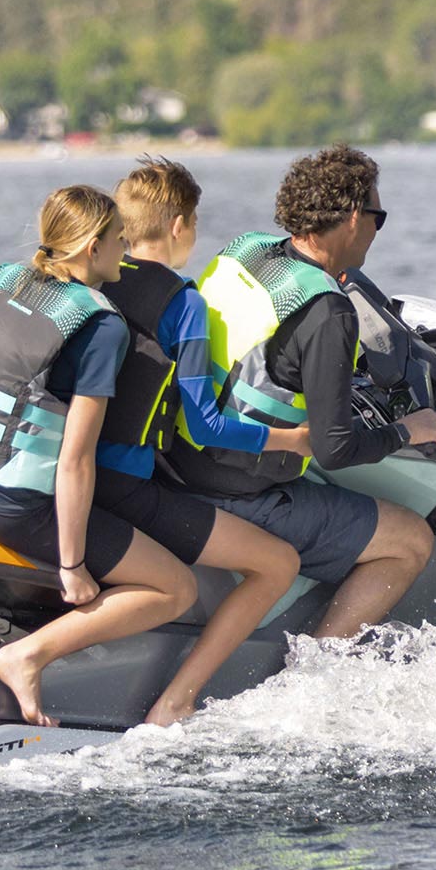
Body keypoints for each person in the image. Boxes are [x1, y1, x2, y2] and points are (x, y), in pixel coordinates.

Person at [0, 183, 211, 726]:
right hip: (12, 506)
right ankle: (27, 656)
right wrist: (72, 568)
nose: (127, 249)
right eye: (119, 240)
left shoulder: (2, 280)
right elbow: (74, 463)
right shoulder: (100, 327)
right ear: (93, 247)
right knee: (175, 587)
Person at [159, 144, 436, 645]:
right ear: (354, 217)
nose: (377, 229)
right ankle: (317, 668)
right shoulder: (328, 312)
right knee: (410, 538)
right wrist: (409, 430)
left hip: (177, 458)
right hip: (237, 488)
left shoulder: (246, 250)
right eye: (379, 216)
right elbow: (336, 450)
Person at [97, 156, 305, 726]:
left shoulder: (92, 277)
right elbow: (206, 424)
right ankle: (177, 701)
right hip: (126, 486)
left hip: (76, 474)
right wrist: (294, 438)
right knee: (276, 564)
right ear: (180, 226)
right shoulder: (182, 303)